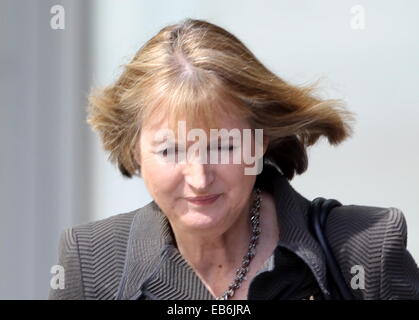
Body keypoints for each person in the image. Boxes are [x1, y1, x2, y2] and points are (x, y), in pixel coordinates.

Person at [48, 18, 419, 300]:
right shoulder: (90, 263)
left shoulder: (366, 250)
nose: (198, 177)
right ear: (134, 150)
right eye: (170, 150)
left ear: (260, 143)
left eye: (222, 146)